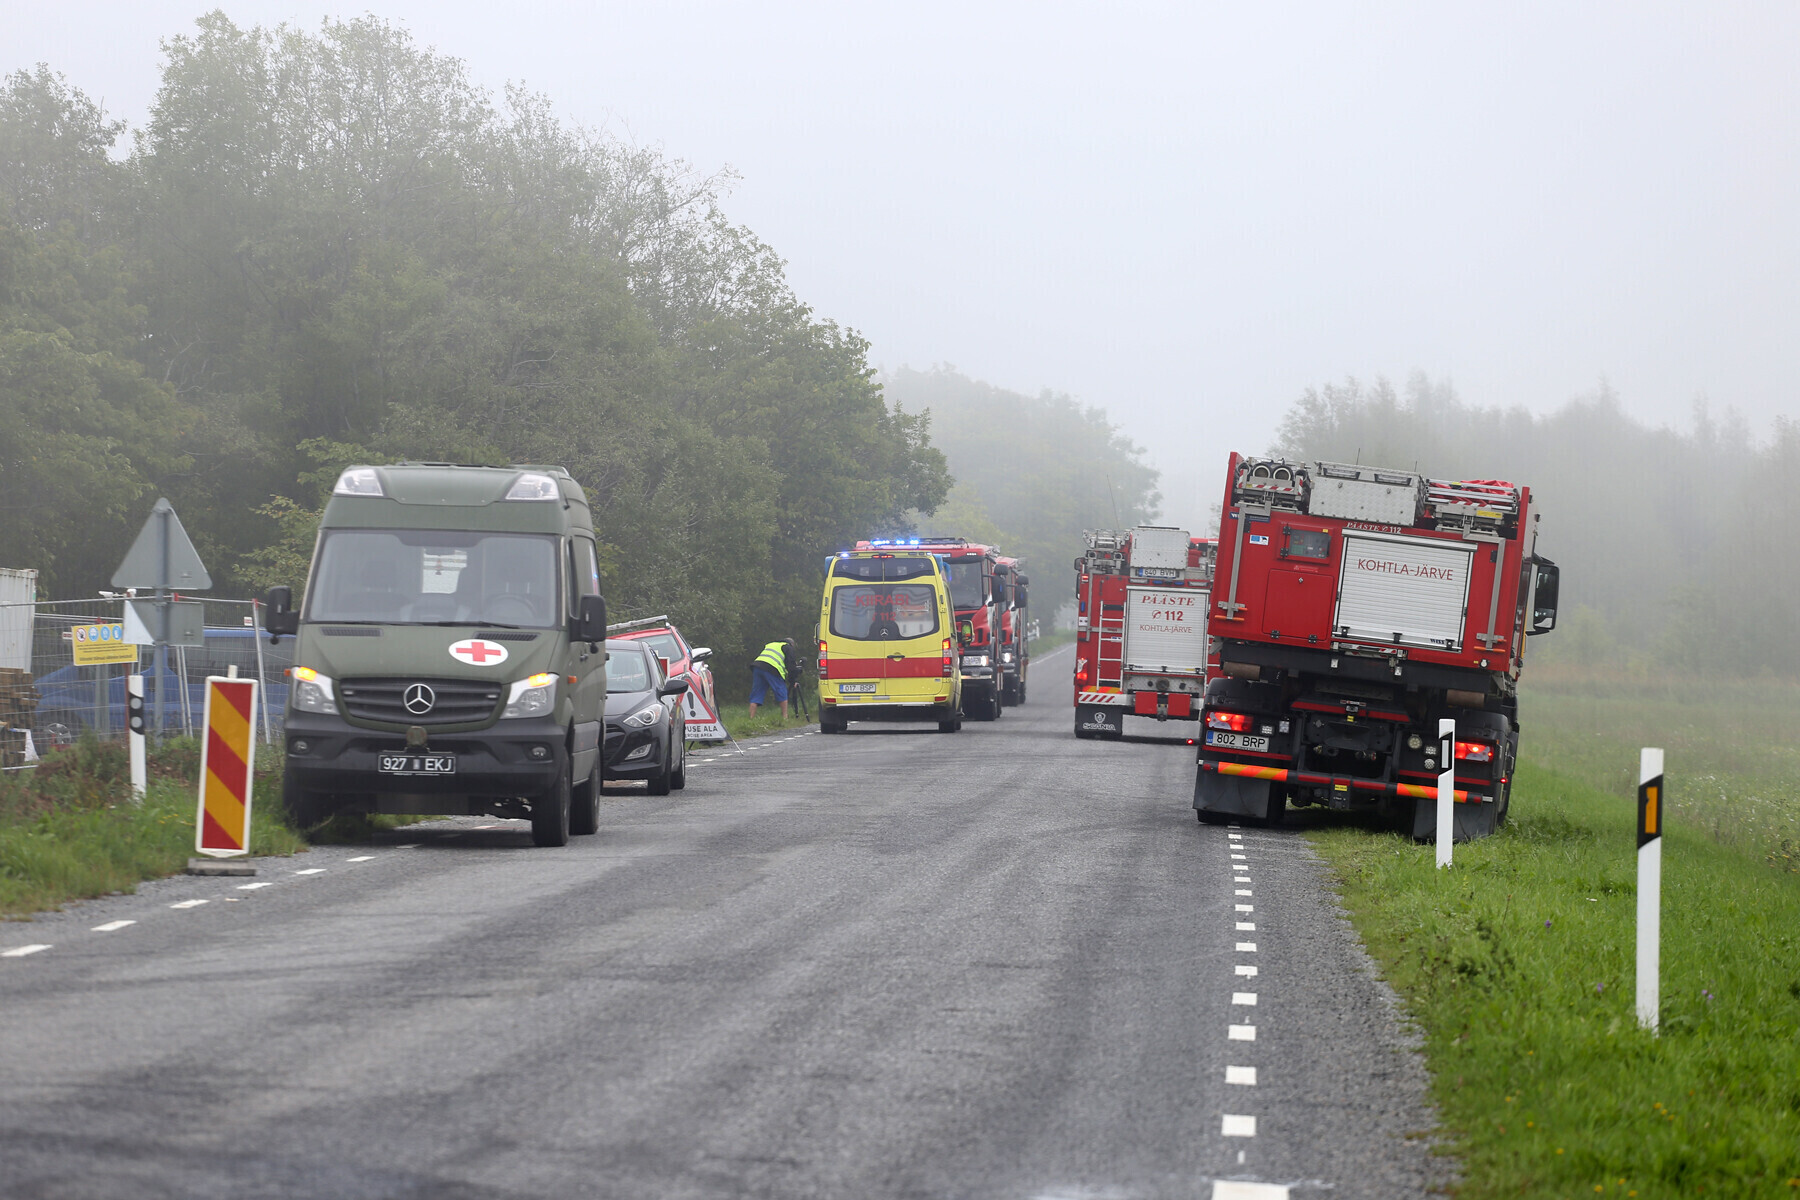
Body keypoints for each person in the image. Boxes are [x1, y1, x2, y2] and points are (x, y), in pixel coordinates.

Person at [748, 637, 797, 719]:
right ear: (791, 644)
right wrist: (793, 681)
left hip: (757, 667)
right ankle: (785, 717)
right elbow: (791, 665)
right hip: (772, 668)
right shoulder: (787, 647)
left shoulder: (771, 644)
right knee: (781, 691)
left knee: (756, 693)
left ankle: (751, 718)